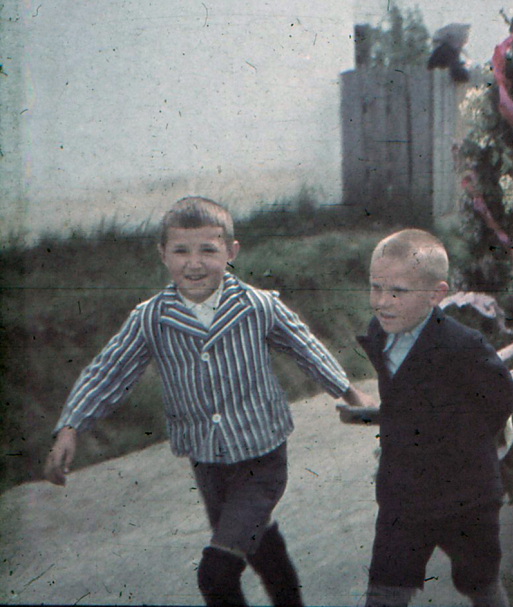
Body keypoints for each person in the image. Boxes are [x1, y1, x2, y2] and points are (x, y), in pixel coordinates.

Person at [43, 196, 372, 606]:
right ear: (163, 254)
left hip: (262, 456)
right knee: (255, 541)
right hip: (206, 460)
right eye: (181, 251)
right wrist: (71, 426)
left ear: (231, 252)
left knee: (216, 574)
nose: (194, 264)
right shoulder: (151, 317)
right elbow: (108, 370)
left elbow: (305, 347)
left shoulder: (256, 305)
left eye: (208, 250)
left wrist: (349, 391)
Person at [352, 229, 513, 607]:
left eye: (397, 291)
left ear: (436, 294)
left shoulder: (462, 346)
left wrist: (461, 440)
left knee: (480, 583)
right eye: (375, 287)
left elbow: (500, 398)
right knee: (385, 590)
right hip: (403, 495)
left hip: (466, 496)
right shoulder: (380, 333)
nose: (382, 302)